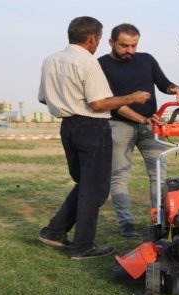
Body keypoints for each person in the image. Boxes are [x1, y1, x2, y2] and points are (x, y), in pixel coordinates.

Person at [37, 16, 151, 259]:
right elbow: (99, 103)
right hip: (91, 126)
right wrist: (132, 97)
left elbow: (43, 98)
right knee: (96, 190)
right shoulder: (87, 62)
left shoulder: (51, 60)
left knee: (84, 184)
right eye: (98, 39)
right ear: (92, 38)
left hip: (68, 127)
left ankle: (54, 231)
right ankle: (82, 246)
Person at [98, 23, 179, 238]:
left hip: (150, 126)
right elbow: (112, 102)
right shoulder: (100, 65)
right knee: (120, 175)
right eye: (124, 46)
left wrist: (176, 89)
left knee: (159, 175)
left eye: (134, 45)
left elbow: (163, 83)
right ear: (111, 43)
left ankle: (162, 222)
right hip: (119, 125)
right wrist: (142, 119)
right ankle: (125, 223)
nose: (130, 51)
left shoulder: (146, 59)